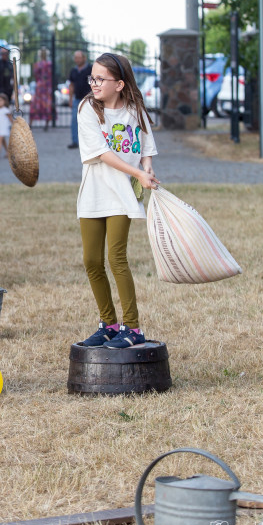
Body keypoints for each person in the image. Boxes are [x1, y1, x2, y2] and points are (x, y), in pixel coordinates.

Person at [77, 53, 159, 349]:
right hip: (94, 192)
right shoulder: (88, 108)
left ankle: (133, 328)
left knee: (117, 258)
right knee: (91, 261)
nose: (94, 83)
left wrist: (146, 166)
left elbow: (146, 145)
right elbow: (100, 153)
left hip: (122, 195)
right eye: (92, 77)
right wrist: (137, 170)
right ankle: (109, 324)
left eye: (101, 79)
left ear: (120, 84)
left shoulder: (135, 111)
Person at [68, 50, 92, 149]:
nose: (77, 59)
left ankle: (89, 142)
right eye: (75, 57)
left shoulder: (90, 69)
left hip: (88, 99)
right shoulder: (73, 71)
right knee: (74, 120)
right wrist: (70, 99)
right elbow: (71, 85)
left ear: (84, 58)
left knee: (89, 121)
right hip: (77, 99)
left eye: (79, 57)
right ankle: (75, 141)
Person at [29, 47, 52, 130]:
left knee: (36, 105)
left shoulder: (37, 65)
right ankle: (46, 124)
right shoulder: (50, 64)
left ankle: (30, 124)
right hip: (47, 87)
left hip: (40, 87)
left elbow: (36, 76)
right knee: (47, 106)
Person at [0, 93, 12, 159]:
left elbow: (10, 119)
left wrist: (14, 125)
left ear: (5, 101)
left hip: (4, 127)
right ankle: (8, 152)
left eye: (0, 101)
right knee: (3, 141)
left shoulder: (6, 110)